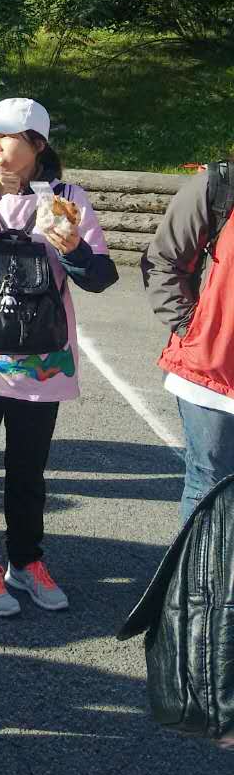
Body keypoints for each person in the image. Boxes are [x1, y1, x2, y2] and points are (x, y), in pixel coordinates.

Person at [0, 98, 118, 618]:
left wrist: (74, 249)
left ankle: (26, 561)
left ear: (37, 144)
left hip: (43, 364)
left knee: (28, 472)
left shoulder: (64, 198)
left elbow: (101, 277)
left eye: (5, 135)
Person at [143, 160, 234, 523]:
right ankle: (201, 564)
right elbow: (164, 260)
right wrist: (191, 328)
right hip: (210, 374)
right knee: (209, 485)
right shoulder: (219, 185)